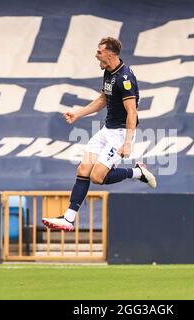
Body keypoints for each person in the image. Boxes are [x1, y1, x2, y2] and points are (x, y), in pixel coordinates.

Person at [42, 37, 156, 232]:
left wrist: (127, 143)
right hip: (107, 130)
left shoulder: (125, 79)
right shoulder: (108, 72)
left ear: (111, 53)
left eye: (100, 51)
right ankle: (69, 219)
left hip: (121, 133)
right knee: (83, 170)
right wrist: (78, 113)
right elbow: (103, 99)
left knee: (97, 177)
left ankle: (137, 172)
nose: (96, 54)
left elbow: (132, 112)